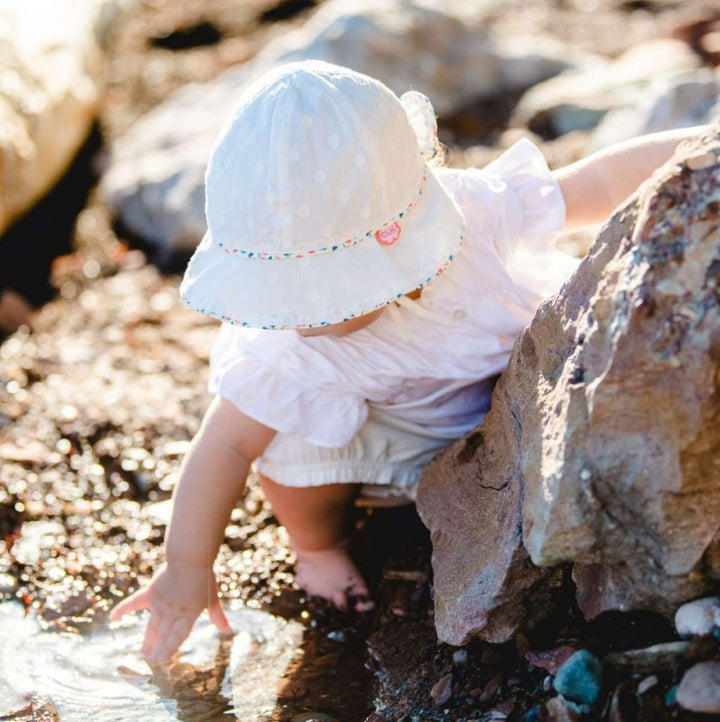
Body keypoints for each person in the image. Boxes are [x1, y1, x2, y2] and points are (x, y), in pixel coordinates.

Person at [109, 60, 706, 665]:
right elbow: (223, 446)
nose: (289, 317)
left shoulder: (472, 215)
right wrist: (186, 565)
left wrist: (700, 153)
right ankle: (318, 547)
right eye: (275, 294)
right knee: (284, 450)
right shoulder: (291, 347)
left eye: (306, 294)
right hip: (396, 438)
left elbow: (599, 184)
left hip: (517, 399)